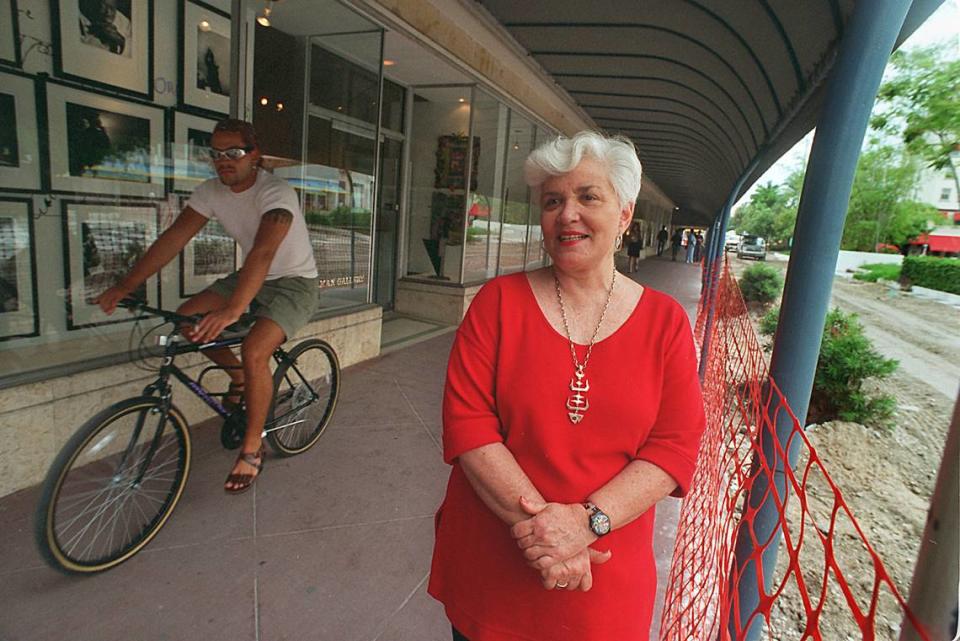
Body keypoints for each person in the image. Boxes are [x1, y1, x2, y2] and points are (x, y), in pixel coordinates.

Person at [428, 131, 706, 640]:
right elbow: (468, 424)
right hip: (490, 569)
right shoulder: (498, 303)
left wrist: (584, 525)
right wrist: (549, 534)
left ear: (624, 215)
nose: (567, 214)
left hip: (600, 583)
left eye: (587, 197)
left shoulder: (665, 322)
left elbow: (674, 447)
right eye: (553, 201)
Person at [95, 119, 319, 494]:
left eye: (234, 152)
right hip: (250, 276)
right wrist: (127, 285)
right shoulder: (211, 192)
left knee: (254, 349)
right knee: (186, 318)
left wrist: (233, 310)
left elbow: (264, 253)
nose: (223, 160)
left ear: (255, 154)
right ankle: (239, 378)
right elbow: (174, 238)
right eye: (216, 153)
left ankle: (252, 448)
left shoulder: (276, 194)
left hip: (294, 282)